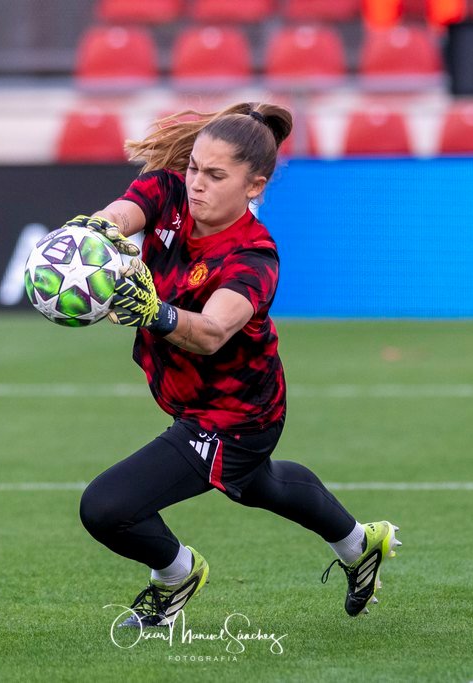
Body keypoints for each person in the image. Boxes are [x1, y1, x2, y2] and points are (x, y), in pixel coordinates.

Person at [68, 102, 401, 628]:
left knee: (107, 507)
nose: (196, 183)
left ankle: (176, 573)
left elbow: (210, 332)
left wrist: (155, 312)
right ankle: (361, 544)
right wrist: (95, 234)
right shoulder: (169, 192)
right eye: (194, 167)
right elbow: (122, 215)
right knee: (258, 485)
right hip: (194, 400)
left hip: (237, 415)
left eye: (215, 175)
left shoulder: (254, 256)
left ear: (254, 186)